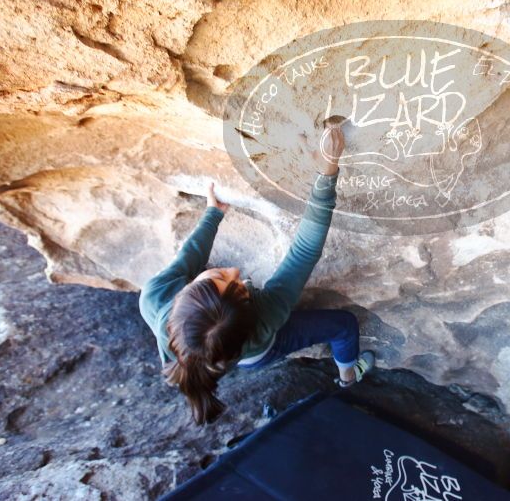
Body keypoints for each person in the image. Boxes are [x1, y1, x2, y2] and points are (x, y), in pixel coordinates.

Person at [138, 117, 375, 426]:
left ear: (185, 292)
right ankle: (347, 379)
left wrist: (213, 214)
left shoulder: (154, 297)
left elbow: (189, 258)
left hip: (235, 358)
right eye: (237, 285)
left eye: (219, 276)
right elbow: (304, 251)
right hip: (259, 350)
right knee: (343, 325)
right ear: (250, 311)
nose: (235, 270)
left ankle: (343, 380)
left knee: (227, 342)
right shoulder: (265, 319)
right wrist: (328, 170)